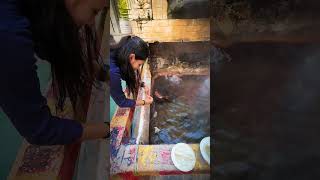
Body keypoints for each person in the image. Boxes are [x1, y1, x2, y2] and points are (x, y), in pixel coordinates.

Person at [0, 0, 109, 145]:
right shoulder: (7, 34)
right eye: (94, 12)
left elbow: (50, 45)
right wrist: (108, 129)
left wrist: (103, 74)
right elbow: (39, 130)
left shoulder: (36, 9)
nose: (91, 22)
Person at [110, 36, 153, 107]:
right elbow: (122, 102)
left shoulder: (120, 53)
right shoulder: (112, 71)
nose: (138, 68)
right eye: (139, 64)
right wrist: (145, 102)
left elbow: (125, 74)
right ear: (131, 57)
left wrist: (143, 85)